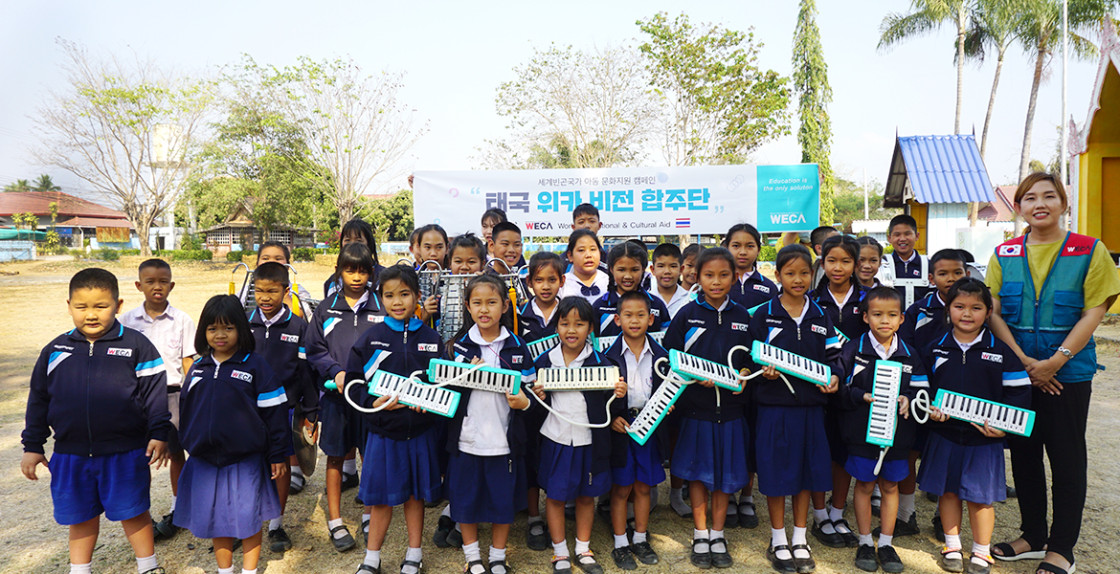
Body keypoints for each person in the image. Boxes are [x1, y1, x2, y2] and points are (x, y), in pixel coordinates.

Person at [985, 173, 1120, 574]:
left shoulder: (1089, 251)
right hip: (1019, 374)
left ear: (1064, 203)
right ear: (1019, 207)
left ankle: (1061, 548)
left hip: (1068, 375)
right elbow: (992, 311)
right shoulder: (1004, 253)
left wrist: (1054, 362)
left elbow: (1094, 311)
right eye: (1029, 198)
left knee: (1066, 458)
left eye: (1049, 196)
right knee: (1024, 454)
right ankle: (1033, 535)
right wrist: (1024, 362)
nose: (1039, 204)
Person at [22, 267, 172, 574]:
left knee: (134, 513)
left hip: (125, 453)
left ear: (118, 305)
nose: (91, 314)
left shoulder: (137, 345)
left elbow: (155, 395)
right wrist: (33, 445)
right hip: (70, 454)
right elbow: (38, 399)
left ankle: (148, 567)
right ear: (69, 306)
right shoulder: (55, 350)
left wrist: (159, 432)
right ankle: (80, 570)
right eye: (82, 307)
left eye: (101, 306)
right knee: (80, 517)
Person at [917, 278, 1031, 574]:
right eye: (959, 306)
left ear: (988, 312)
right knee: (948, 493)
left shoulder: (1002, 351)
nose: (967, 314)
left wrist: (1005, 427)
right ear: (948, 309)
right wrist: (930, 410)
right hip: (944, 436)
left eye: (976, 308)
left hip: (985, 440)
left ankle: (981, 551)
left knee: (981, 500)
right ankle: (952, 546)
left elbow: (1019, 392)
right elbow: (920, 388)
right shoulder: (934, 348)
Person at [175, 295, 288, 574]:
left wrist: (277, 454)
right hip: (205, 461)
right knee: (217, 522)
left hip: (245, 461)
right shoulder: (198, 368)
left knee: (248, 519)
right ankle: (224, 570)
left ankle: (249, 571)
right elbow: (186, 410)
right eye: (212, 328)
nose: (220, 335)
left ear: (241, 328)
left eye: (228, 327)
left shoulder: (255, 366)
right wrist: (190, 442)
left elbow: (275, 413)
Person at [747, 244, 843, 574]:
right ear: (778, 275)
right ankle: (778, 538)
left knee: (806, 474)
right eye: (790, 273)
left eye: (804, 273)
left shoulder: (820, 315)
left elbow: (835, 358)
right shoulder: (763, 314)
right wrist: (762, 371)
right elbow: (748, 359)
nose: (798, 279)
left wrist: (835, 376)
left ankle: (800, 537)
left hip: (812, 409)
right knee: (776, 474)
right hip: (774, 409)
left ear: (812, 274)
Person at [345, 265, 445, 574]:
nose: (397, 302)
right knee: (381, 500)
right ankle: (371, 558)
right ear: (380, 298)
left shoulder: (432, 338)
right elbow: (354, 383)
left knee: (415, 497)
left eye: (404, 294)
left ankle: (414, 554)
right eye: (389, 296)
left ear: (417, 296)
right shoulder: (371, 339)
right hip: (383, 434)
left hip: (420, 434)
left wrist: (429, 404)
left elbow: (443, 384)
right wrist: (372, 403)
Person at [661, 247, 752, 569]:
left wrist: (744, 373)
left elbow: (750, 360)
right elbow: (669, 357)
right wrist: (691, 376)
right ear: (697, 277)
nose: (716, 282)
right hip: (695, 411)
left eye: (724, 275)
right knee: (698, 476)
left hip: (731, 412)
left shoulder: (743, 316)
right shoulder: (687, 314)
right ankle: (701, 534)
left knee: (724, 477)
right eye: (709, 275)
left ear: (735, 277)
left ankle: (718, 533)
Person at [445, 274, 538, 574]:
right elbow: (444, 395)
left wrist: (524, 403)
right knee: (465, 501)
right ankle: (472, 557)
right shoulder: (457, 348)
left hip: (503, 443)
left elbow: (533, 396)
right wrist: (462, 377)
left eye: (492, 302)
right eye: (477, 303)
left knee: (503, 503)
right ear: (468, 307)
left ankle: (498, 556)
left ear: (505, 306)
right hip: (467, 441)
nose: (484, 309)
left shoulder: (518, 346)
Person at [531, 297, 627, 574]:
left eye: (579, 324)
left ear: (591, 329)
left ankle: (583, 548)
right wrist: (537, 396)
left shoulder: (603, 363)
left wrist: (619, 394)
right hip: (556, 439)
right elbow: (530, 408)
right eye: (564, 324)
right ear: (556, 327)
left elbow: (612, 408)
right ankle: (560, 551)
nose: (571, 330)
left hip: (589, 440)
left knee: (587, 496)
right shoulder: (543, 362)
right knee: (556, 496)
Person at [838, 287, 927, 573]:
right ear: (866, 317)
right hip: (861, 433)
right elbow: (838, 386)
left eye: (891, 315)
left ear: (901, 319)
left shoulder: (910, 354)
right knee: (864, 485)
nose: (884, 321)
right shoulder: (853, 349)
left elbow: (923, 391)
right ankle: (865, 541)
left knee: (890, 486)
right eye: (877, 314)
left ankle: (886, 543)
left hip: (898, 437)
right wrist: (859, 396)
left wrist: (909, 399)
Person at [306, 243, 387, 551]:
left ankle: (368, 514)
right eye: (350, 270)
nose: (356, 277)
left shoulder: (381, 307)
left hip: (370, 400)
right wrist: (335, 372)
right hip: (336, 399)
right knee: (336, 456)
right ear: (338, 271)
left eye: (363, 271)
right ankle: (335, 520)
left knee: (371, 456)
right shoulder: (326, 309)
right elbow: (315, 349)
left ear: (371, 273)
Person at [892, 248, 969, 540]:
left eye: (957, 272)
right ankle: (906, 514)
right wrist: (916, 389)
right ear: (931, 278)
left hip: (956, 399)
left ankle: (941, 518)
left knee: (948, 457)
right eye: (943, 273)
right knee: (909, 453)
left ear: (967, 274)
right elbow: (906, 351)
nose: (951, 278)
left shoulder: (974, 309)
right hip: (920, 395)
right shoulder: (918, 310)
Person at [119, 258, 197, 541]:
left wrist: (194, 394)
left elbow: (188, 361)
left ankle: (178, 510)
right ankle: (143, 515)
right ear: (139, 285)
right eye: (150, 282)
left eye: (163, 282)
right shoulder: (126, 321)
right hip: (138, 398)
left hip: (172, 395)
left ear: (171, 285)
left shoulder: (182, 320)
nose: (157, 287)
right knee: (140, 456)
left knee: (176, 452)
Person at [247, 262, 319, 552]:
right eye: (259, 291)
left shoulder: (298, 326)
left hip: (284, 410)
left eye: (272, 291)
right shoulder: (244, 323)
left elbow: (306, 372)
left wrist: (311, 411)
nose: (265, 297)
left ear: (286, 291)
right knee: (250, 466)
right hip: (249, 411)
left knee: (280, 466)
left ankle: (276, 524)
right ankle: (248, 521)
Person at [807, 235, 867, 550]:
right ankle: (820, 515)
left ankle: (837, 511)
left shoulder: (869, 300)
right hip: (819, 387)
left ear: (856, 264)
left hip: (855, 392)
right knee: (820, 452)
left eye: (845, 261)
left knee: (845, 452)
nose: (838, 267)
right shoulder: (811, 300)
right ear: (822, 263)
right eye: (832, 261)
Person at [603, 291, 669, 570]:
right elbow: (599, 398)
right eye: (628, 315)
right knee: (621, 489)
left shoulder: (662, 356)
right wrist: (611, 418)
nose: (634, 320)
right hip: (622, 429)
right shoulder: (606, 357)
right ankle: (620, 543)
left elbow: (669, 389)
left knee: (643, 487)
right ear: (617, 320)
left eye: (641, 315)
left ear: (651, 319)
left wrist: (667, 405)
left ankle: (640, 538)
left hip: (649, 428)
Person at [593, 241, 671, 338]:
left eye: (634, 270)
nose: (628, 276)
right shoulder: (600, 306)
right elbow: (592, 341)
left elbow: (667, 340)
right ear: (611, 270)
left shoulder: (656, 305)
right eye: (621, 270)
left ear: (643, 269)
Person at [240, 241, 315, 316]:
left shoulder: (298, 291)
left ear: (288, 266)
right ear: (257, 264)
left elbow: (300, 315)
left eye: (278, 259)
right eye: (265, 258)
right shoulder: (245, 291)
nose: (271, 262)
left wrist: (284, 293)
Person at [724, 223, 778, 313]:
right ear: (727, 248)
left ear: (758, 250)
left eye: (750, 246)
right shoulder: (717, 285)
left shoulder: (769, 288)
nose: (743, 252)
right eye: (736, 246)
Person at [325, 219, 384, 299]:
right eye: (347, 240)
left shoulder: (383, 278)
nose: (352, 245)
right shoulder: (332, 282)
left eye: (359, 240)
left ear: (369, 243)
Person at [519, 252, 566, 345]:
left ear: (562, 281)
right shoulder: (519, 315)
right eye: (539, 280)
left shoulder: (568, 313)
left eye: (552, 280)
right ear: (529, 281)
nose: (546, 287)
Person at [887, 215, 931, 306]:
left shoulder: (928, 265)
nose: (902, 239)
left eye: (907, 234)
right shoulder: (883, 264)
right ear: (889, 238)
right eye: (897, 235)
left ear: (917, 236)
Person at [558, 229, 609, 303]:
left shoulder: (609, 281)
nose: (588, 255)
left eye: (593, 249)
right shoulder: (561, 284)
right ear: (570, 256)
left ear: (600, 253)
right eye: (581, 250)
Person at [650, 243, 689, 319]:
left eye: (673, 266)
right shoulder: (645, 300)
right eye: (661, 266)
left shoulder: (689, 299)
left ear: (681, 269)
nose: (667, 271)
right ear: (653, 270)